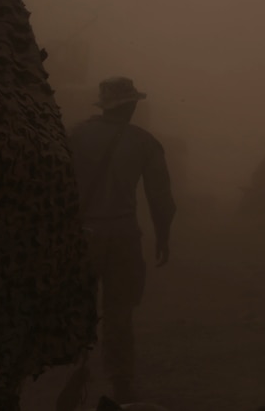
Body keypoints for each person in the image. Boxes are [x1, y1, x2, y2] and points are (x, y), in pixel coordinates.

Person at [68, 76, 176, 403]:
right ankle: (121, 384)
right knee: (119, 312)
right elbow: (161, 199)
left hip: (83, 236)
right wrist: (162, 237)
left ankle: (76, 374)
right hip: (124, 236)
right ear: (130, 105)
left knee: (78, 308)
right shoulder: (144, 142)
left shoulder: (76, 135)